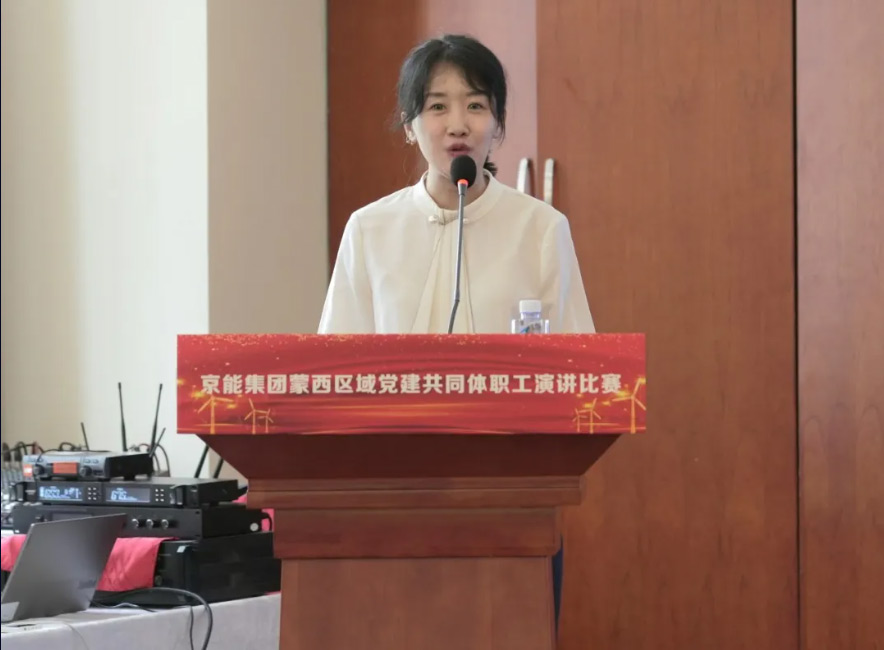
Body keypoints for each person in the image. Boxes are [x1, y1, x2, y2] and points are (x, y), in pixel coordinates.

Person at [318, 33, 595, 632]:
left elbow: (580, 376)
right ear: (409, 124)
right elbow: (333, 375)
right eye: (437, 106)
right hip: (393, 499)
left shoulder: (540, 228)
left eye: (475, 104)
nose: (457, 124)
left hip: (513, 503)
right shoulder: (370, 230)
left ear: (498, 123)